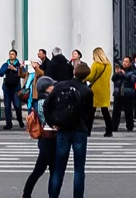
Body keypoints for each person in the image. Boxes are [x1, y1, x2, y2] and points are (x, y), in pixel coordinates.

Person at [46, 59, 93, 198]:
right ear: (86, 76)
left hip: (63, 129)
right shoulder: (87, 91)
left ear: (74, 72)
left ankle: (53, 195)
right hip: (79, 130)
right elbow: (89, 113)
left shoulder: (61, 85)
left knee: (59, 168)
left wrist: (52, 122)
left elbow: (48, 105)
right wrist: (87, 130)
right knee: (79, 169)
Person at [22, 77, 59, 198]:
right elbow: (50, 119)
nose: (54, 87)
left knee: (43, 169)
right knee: (42, 169)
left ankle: (29, 194)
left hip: (46, 138)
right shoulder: (45, 102)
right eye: (51, 86)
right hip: (49, 137)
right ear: (46, 88)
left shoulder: (39, 101)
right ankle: (28, 194)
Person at [106, 57, 130, 137]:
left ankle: (130, 126)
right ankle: (114, 126)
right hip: (118, 93)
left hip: (127, 93)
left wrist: (123, 74)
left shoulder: (131, 71)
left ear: (130, 63)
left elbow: (132, 79)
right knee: (116, 110)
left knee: (128, 111)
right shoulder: (119, 70)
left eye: (126, 62)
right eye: (124, 61)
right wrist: (117, 73)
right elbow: (113, 79)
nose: (124, 63)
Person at [1, 50, 25, 130]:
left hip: (16, 89)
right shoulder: (5, 64)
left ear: (16, 55)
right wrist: (6, 69)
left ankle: (20, 120)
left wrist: (15, 69)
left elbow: (23, 74)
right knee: (7, 107)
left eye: (13, 54)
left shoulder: (19, 65)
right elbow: (0, 73)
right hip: (7, 89)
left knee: (17, 106)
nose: (11, 55)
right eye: (10, 54)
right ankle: (8, 124)